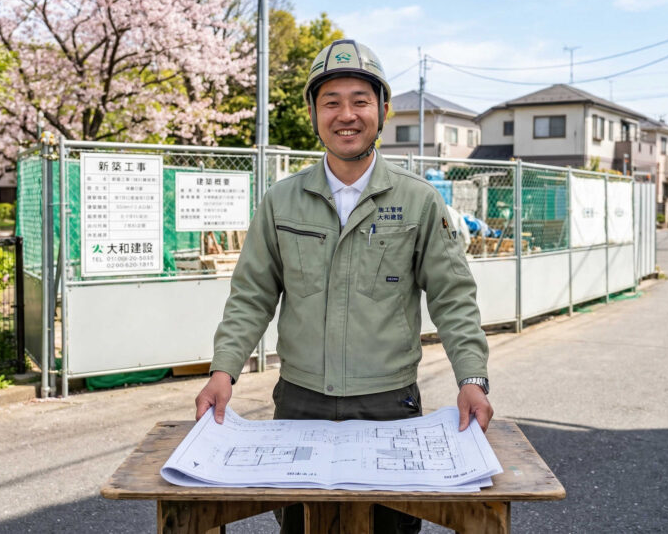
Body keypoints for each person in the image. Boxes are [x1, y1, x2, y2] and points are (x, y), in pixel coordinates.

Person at [194, 39, 492, 533]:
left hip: (389, 405)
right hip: (300, 401)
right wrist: (222, 372)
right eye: (331, 101)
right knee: (303, 526)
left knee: (390, 527)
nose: (346, 114)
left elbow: (453, 299)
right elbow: (252, 295)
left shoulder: (418, 202)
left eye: (360, 100)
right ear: (314, 113)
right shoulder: (281, 201)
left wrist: (472, 380)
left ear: (382, 110)